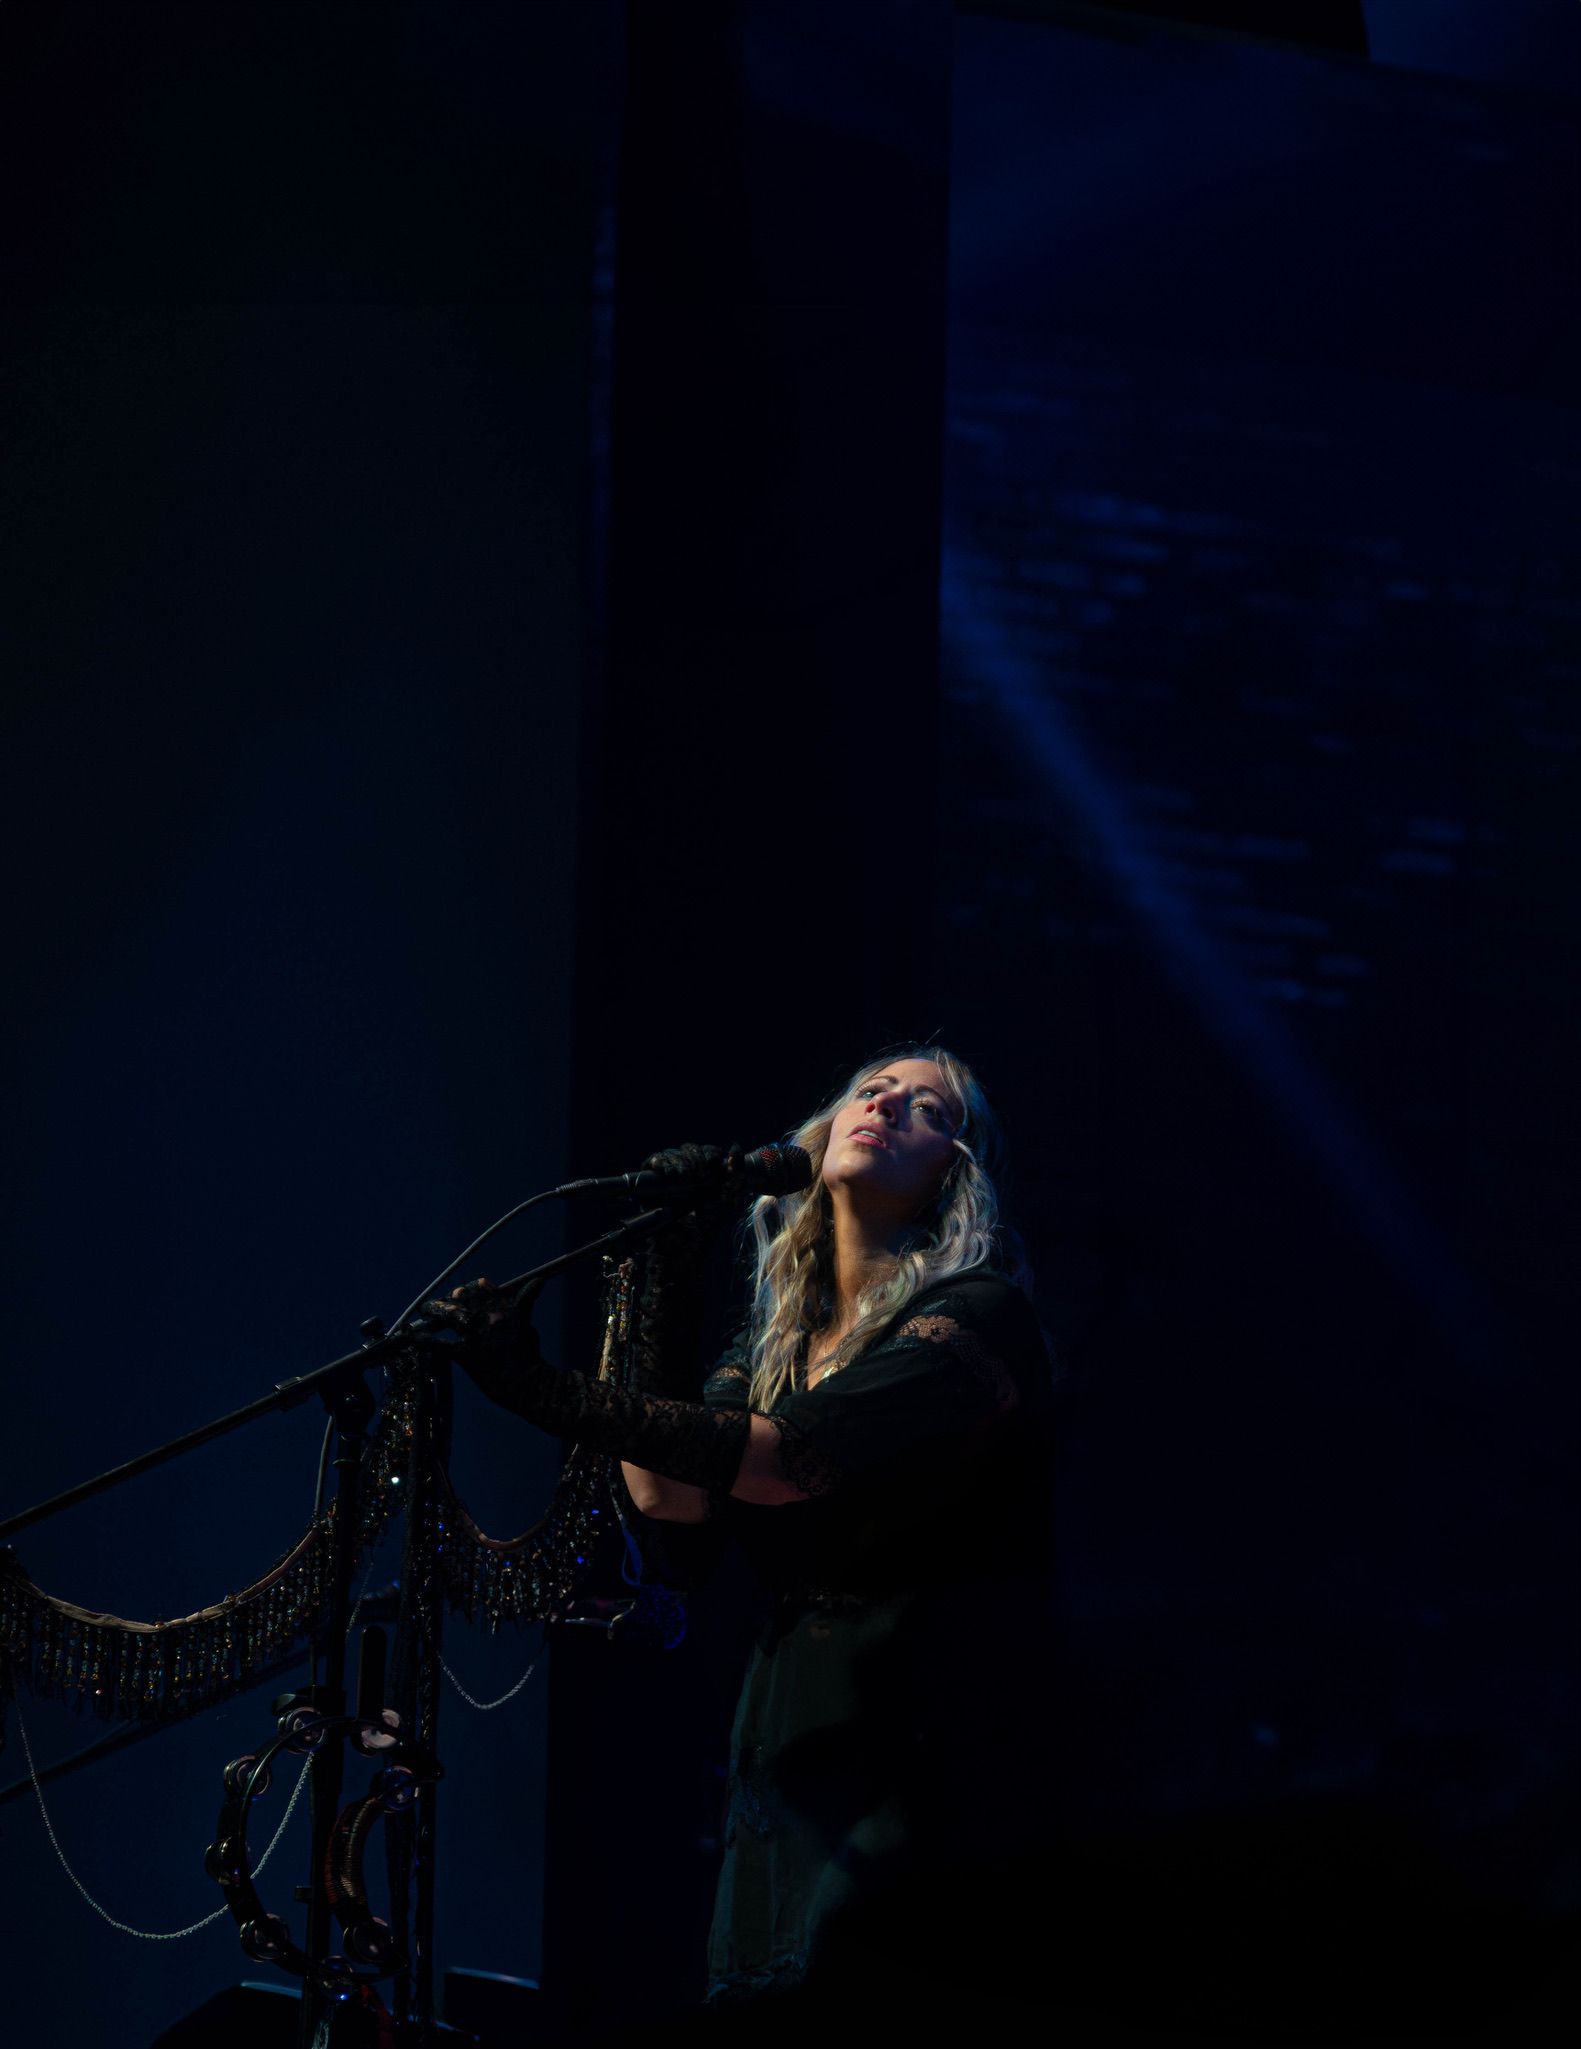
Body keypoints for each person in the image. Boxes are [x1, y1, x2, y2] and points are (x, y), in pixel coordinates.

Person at [439, 1046, 1060, 2032]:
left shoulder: (980, 1319)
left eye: (927, 1108)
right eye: (872, 1090)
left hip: (917, 1746)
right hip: (786, 1746)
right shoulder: (778, 1343)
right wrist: (673, 1268)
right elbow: (675, 1499)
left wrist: (540, 1391)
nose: (888, 1105)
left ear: (958, 1170)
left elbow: (778, 1464)